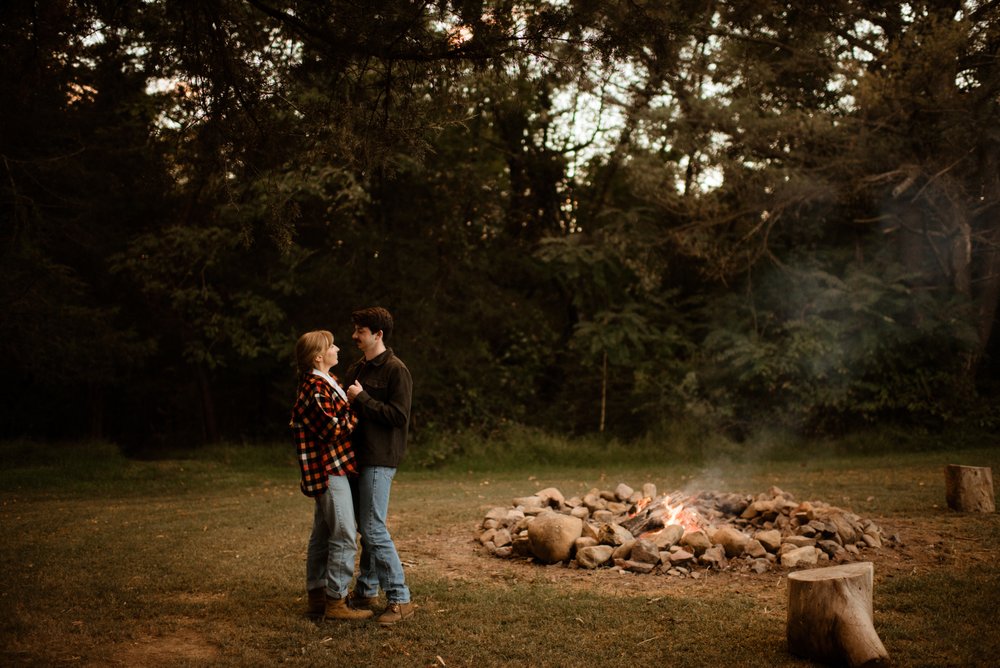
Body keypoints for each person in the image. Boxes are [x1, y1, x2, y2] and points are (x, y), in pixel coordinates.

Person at [289, 330, 373, 621]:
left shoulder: (330, 381)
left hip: (337, 466)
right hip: (327, 470)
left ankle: (317, 595)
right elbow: (332, 429)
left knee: (323, 532)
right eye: (331, 346)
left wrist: (347, 413)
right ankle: (336, 601)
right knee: (345, 534)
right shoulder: (314, 388)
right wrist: (353, 415)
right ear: (318, 356)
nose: (337, 348)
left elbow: (340, 418)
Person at [343, 307, 415, 625]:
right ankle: (366, 590)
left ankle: (400, 599)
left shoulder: (396, 370)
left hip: (380, 458)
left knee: (373, 529)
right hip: (356, 458)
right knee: (368, 528)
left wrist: (362, 399)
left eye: (360, 330)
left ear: (378, 334)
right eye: (356, 329)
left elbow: (399, 417)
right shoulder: (356, 369)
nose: (355, 336)